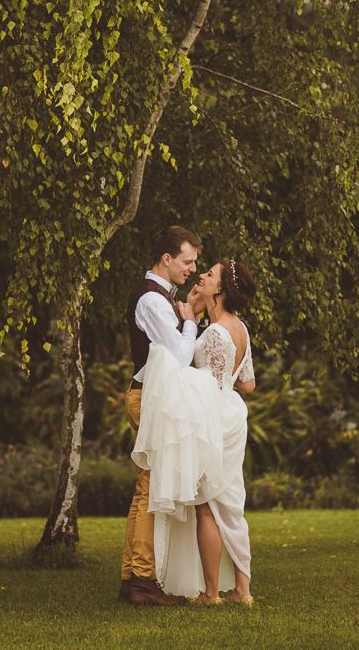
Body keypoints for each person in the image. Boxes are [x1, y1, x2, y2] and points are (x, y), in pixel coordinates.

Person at [132, 258, 257, 605]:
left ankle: (213, 593)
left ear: (220, 288)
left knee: (207, 508)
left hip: (211, 419)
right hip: (234, 415)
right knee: (231, 504)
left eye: (209, 274)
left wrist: (190, 323)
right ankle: (243, 590)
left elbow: (200, 375)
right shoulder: (240, 328)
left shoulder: (215, 333)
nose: (201, 275)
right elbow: (246, 383)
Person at [119, 225, 202, 606]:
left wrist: (186, 313)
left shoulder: (161, 297)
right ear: (167, 259)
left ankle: (132, 578)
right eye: (187, 261)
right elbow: (181, 354)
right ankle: (142, 579)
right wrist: (190, 321)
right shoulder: (152, 301)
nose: (192, 269)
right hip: (148, 398)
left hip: (149, 396)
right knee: (150, 490)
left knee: (144, 489)